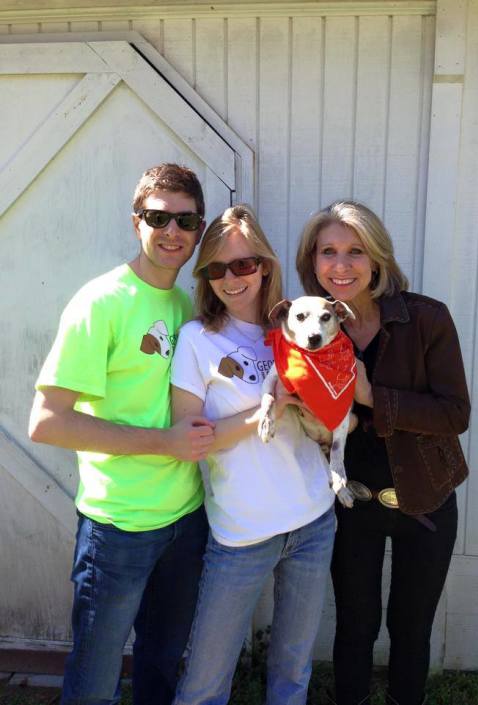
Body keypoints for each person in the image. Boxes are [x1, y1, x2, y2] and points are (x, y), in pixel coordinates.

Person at [28, 163, 215, 705]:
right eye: (158, 217)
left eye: (185, 220)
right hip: (118, 529)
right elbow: (46, 420)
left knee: (161, 665)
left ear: (199, 230)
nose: (172, 231)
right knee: (95, 677)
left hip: (185, 520)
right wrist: (164, 443)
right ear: (137, 222)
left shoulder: (187, 306)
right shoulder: (101, 302)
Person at [296, 201, 470, 705]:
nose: (341, 265)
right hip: (351, 502)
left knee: (410, 629)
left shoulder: (426, 319)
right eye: (328, 252)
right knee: (355, 626)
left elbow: (455, 413)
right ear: (313, 261)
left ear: (378, 259)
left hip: (424, 499)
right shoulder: (311, 324)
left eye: (356, 251)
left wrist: (373, 397)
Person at [170, 205, 336, 705]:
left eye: (243, 264)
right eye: (216, 268)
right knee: (203, 684)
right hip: (240, 534)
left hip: (313, 521)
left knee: (291, 672)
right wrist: (268, 410)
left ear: (264, 264)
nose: (231, 278)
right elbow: (187, 436)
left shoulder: (301, 322)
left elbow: (332, 409)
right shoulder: (198, 340)